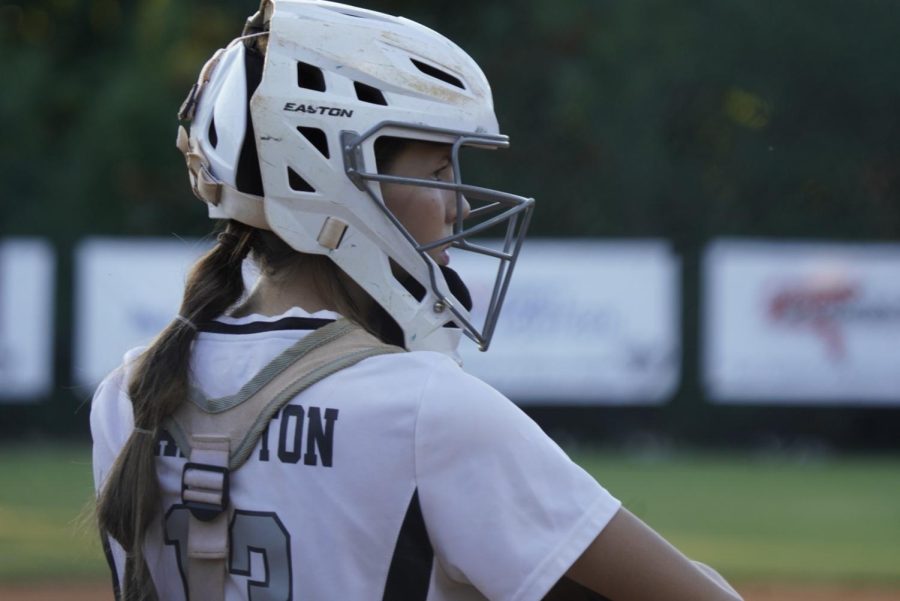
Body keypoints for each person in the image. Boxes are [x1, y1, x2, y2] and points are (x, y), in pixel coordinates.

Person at [90, 1, 744, 600]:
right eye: (436, 173)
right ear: (331, 181)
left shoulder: (128, 395)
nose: (458, 205)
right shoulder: (428, 409)